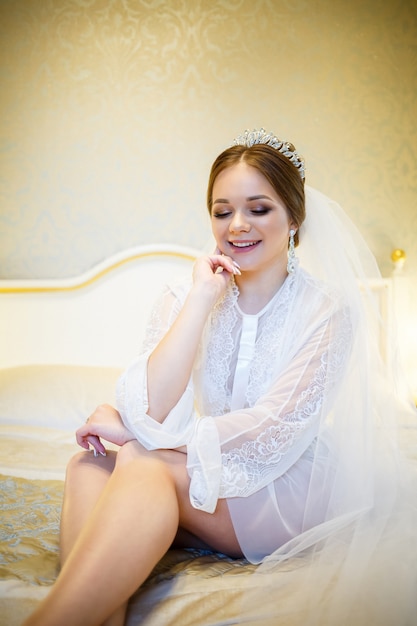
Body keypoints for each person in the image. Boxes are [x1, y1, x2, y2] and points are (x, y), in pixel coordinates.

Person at [23, 129, 417, 626]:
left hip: (281, 485)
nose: (237, 226)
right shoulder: (184, 293)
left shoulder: (327, 309)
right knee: (89, 463)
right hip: (206, 471)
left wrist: (143, 433)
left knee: (144, 461)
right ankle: (99, 612)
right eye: (222, 210)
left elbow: (274, 429)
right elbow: (153, 406)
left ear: (294, 219)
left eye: (259, 208)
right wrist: (201, 301)